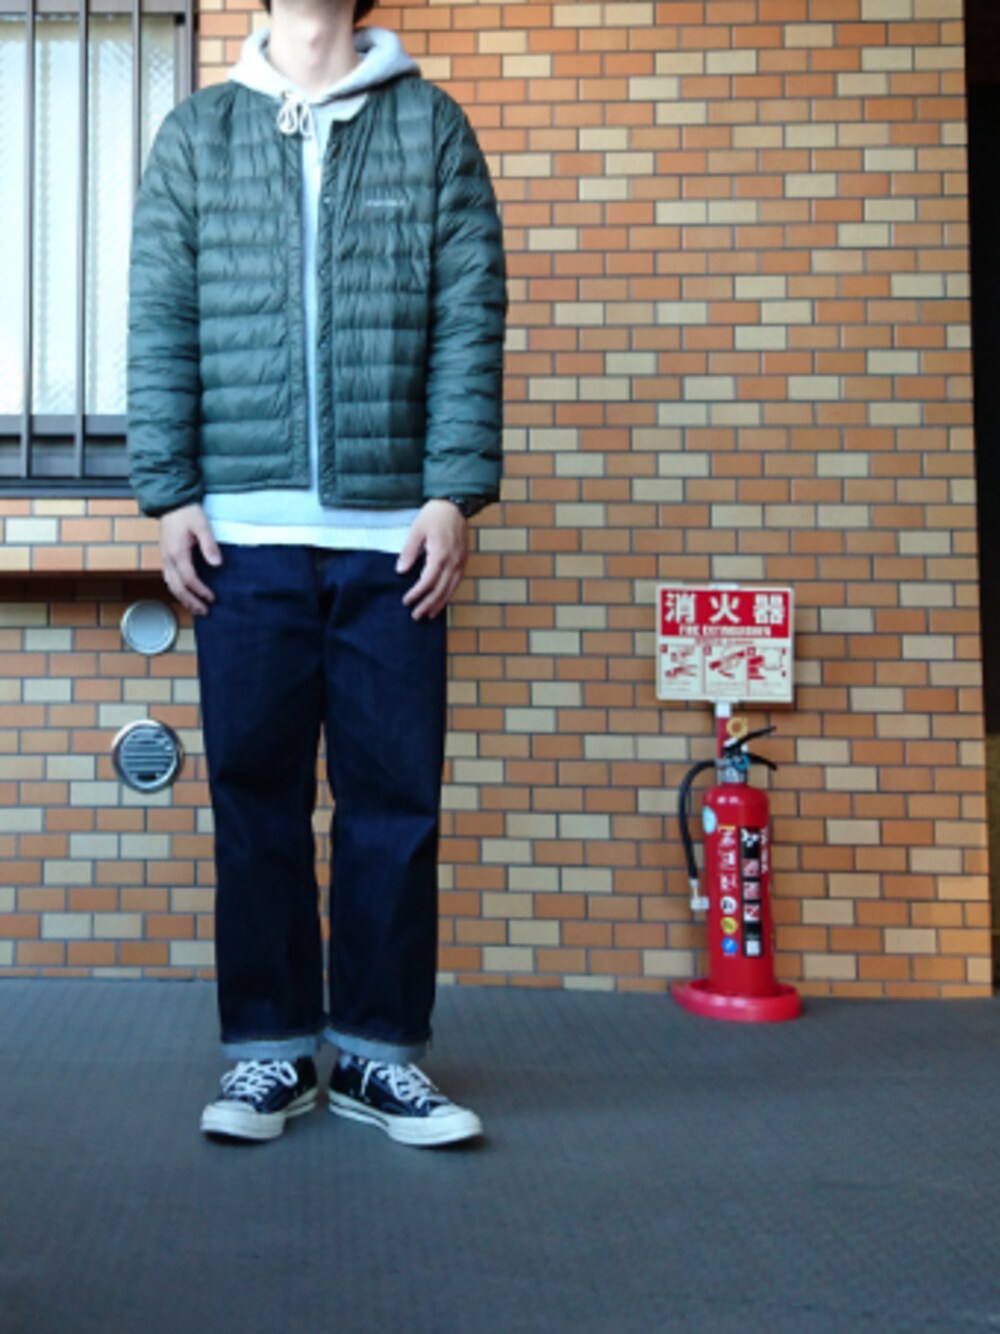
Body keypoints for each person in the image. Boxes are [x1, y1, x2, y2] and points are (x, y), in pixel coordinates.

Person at [127, 0, 505, 1147]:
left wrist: (451, 492)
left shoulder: (431, 126)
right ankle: (272, 1048)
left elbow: (468, 311)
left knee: (395, 802)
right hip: (240, 534)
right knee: (255, 799)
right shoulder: (198, 134)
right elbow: (160, 315)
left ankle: (381, 1058)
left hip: (394, 536)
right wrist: (170, 491)